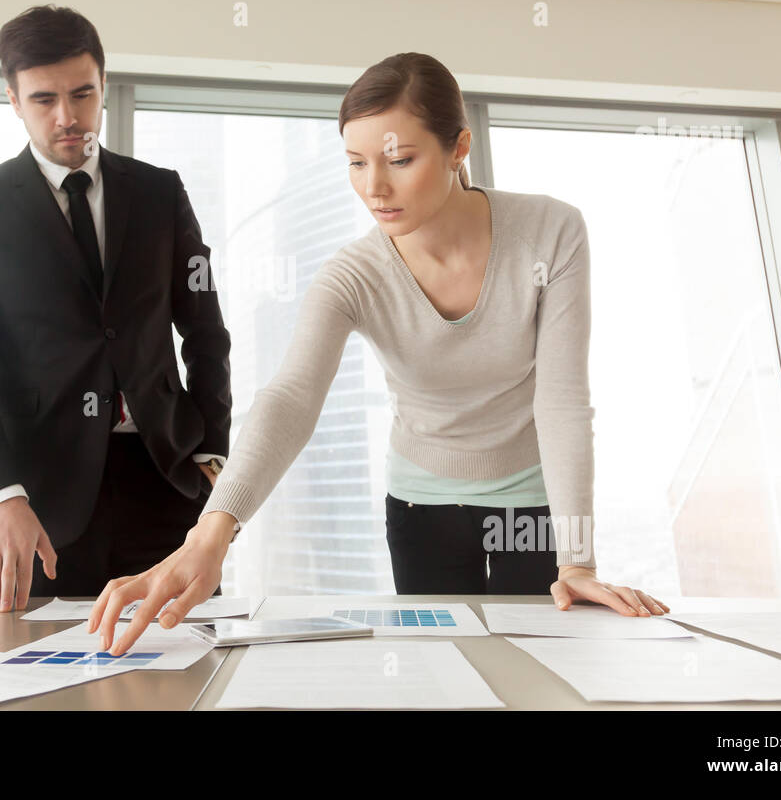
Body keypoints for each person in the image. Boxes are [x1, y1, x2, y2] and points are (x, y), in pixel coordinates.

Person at [88, 52, 669, 654]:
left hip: (528, 500)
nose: (374, 187)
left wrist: (577, 561)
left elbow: (563, 401)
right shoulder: (354, 275)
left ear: (459, 148)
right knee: (448, 675)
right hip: (422, 505)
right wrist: (209, 537)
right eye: (356, 163)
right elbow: (291, 398)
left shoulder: (551, 233)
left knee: (544, 661)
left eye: (399, 160)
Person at [0, 5, 231, 611]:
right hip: (39, 503)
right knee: (43, 684)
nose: (67, 117)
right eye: (43, 100)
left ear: (103, 87)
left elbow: (204, 331)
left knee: (185, 668)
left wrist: (210, 452)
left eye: (82, 94)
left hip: (167, 483)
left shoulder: (159, 192)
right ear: (13, 99)